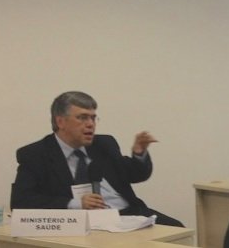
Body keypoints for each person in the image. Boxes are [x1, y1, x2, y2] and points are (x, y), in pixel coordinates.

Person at [11, 91, 183, 227]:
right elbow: (21, 202)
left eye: (93, 118)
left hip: (128, 214)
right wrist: (74, 203)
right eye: (82, 117)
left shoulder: (104, 144)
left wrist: (139, 153)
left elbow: (134, 175)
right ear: (61, 122)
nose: (90, 124)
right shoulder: (36, 154)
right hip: (82, 224)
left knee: (177, 229)